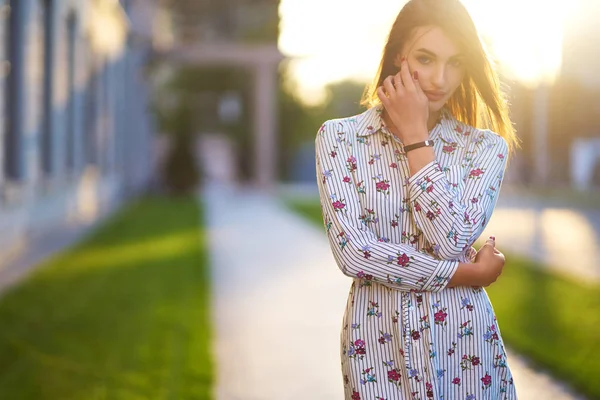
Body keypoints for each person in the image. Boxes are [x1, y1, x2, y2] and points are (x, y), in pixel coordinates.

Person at [314, 0, 520, 399]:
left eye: (456, 62)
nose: (440, 79)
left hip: (464, 348)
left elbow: (451, 239)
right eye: (425, 59)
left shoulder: (484, 148)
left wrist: (414, 138)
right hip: (375, 347)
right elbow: (354, 255)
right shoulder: (339, 138)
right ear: (397, 55)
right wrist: (464, 274)